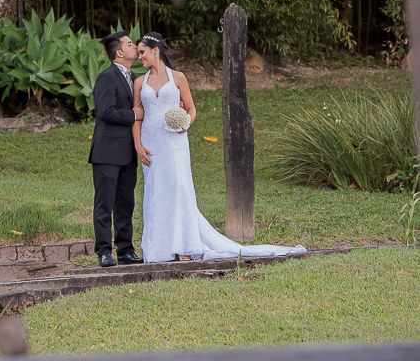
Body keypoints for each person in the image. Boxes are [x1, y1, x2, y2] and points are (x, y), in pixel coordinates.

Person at [132, 32, 306, 264]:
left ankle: (184, 244)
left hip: (174, 143)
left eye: (141, 52)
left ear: (155, 51)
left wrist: (185, 123)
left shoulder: (179, 78)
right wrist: (138, 146)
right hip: (151, 144)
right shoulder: (139, 82)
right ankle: (159, 247)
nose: (139, 57)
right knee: (156, 191)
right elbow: (137, 117)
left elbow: (192, 109)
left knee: (180, 188)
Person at [90, 31, 145, 268]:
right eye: (131, 44)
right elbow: (104, 111)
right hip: (107, 152)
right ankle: (103, 251)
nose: (136, 47)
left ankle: (125, 250)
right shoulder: (106, 77)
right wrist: (133, 115)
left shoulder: (132, 77)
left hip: (127, 153)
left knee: (125, 203)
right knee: (105, 203)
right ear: (119, 52)